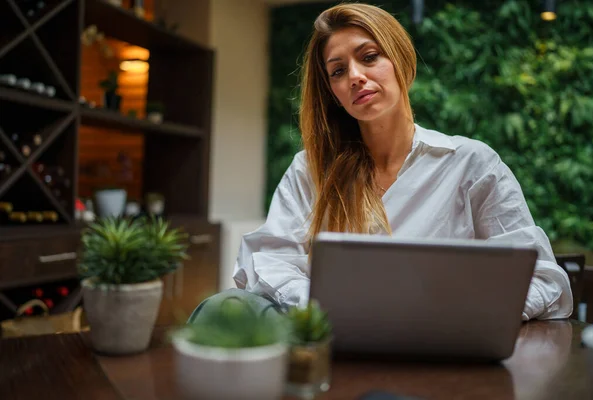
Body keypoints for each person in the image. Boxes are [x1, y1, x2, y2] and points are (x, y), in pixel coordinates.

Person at [191, 3, 573, 323]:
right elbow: (267, 260)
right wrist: (330, 308)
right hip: (339, 348)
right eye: (338, 71)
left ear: (400, 60)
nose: (355, 77)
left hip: (445, 354)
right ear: (333, 93)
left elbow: (542, 278)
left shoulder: (472, 164)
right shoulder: (311, 169)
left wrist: (459, 315)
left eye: (369, 57)